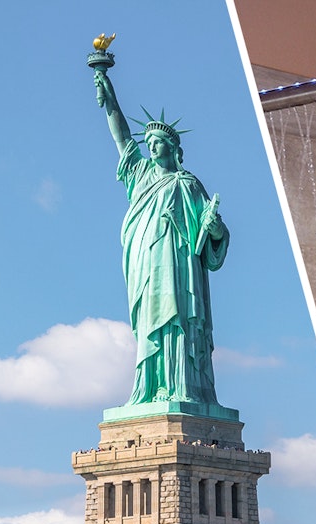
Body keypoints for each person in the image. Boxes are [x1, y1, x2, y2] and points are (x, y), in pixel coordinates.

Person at [93, 67, 229, 406]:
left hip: (180, 266)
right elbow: (121, 137)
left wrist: (213, 228)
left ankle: (183, 386)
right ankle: (150, 388)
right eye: (149, 143)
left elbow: (213, 235)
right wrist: (109, 96)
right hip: (146, 261)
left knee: (179, 319)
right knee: (150, 318)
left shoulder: (188, 184)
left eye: (158, 143)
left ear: (172, 148)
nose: (151, 147)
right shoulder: (139, 174)